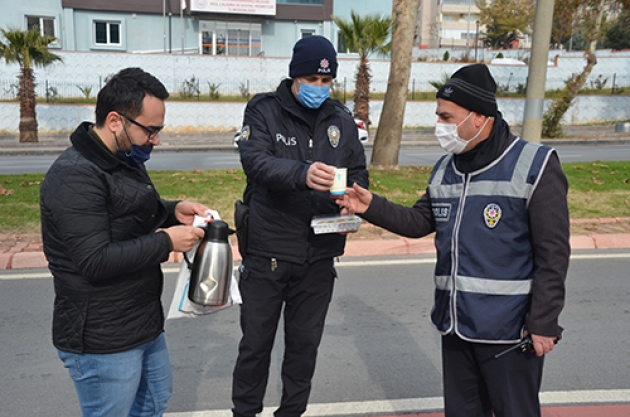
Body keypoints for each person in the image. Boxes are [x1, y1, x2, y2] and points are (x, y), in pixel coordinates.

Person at [338, 64, 570, 417]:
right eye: (439, 115)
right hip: (456, 325)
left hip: (509, 331)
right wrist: (370, 206)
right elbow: (419, 221)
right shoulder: (446, 168)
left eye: (447, 117)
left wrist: (543, 322)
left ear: (479, 118)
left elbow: (553, 254)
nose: (439, 125)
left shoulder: (534, 165)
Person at [40, 67, 210, 417]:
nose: (155, 140)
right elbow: (95, 260)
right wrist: (166, 241)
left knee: (153, 402)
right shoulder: (75, 175)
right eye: (151, 130)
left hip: (140, 323)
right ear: (115, 121)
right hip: (101, 337)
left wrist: (172, 211)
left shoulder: (121, 158)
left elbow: (129, 211)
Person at [232, 35, 369, 417]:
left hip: (319, 255)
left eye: (326, 81)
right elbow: (255, 162)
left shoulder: (341, 118)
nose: (319, 88)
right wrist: (301, 173)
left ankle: (292, 412)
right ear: (295, 76)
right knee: (255, 346)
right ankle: (245, 413)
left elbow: (357, 171)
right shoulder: (263, 110)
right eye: (311, 79)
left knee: (304, 348)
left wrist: (352, 204)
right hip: (269, 252)